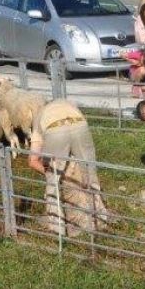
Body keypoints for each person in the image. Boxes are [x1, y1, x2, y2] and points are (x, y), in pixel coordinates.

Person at [27, 99, 107, 237]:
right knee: (90, 175)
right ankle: (100, 221)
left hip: (54, 130)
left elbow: (32, 161)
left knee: (53, 185)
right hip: (80, 125)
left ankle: (57, 229)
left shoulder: (39, 116)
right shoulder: (68, 104)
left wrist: (53, 174)